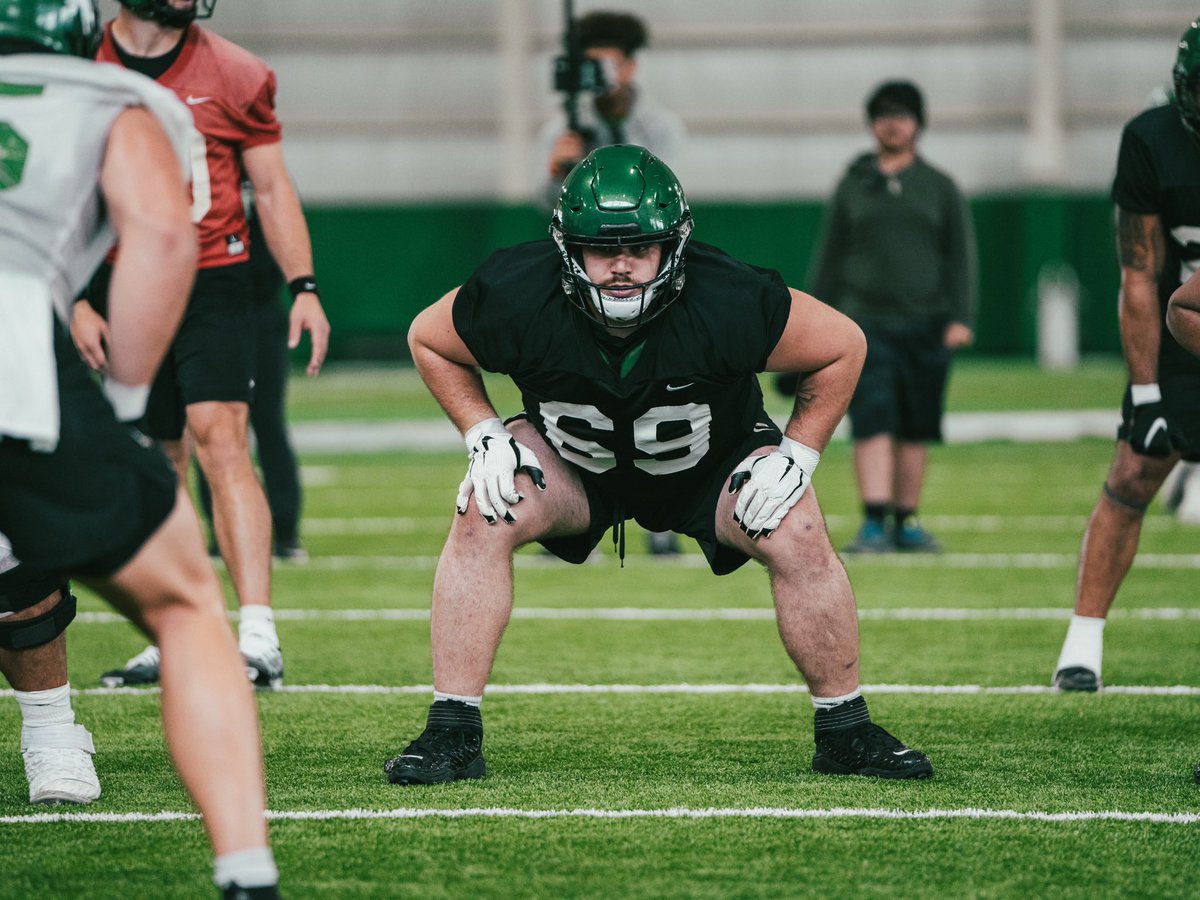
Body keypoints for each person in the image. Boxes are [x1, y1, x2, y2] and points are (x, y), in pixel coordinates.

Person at [385, 144, 933, 787]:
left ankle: (845, 730)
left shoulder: (725, 294)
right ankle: (451, 731)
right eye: (601, 249)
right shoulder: (518, 289)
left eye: (640, 247)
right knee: (483, 506)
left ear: (674, 245)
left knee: (798, 529)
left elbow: (843, 346)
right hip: (575, 466)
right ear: (566, 247)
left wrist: (798, 453)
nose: (621, 266)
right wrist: (482, 433)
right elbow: (429, 339)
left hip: (710, 466)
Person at [0, 2, 280, 895]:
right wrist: (122, 401)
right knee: (186, 606)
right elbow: (162, 234)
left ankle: (51, 731)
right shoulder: (109, 102)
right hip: (16, 360)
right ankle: (245, 869)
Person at [70, 0, 330, 690]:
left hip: (214, 276)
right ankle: (182, 626)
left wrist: (304, 285)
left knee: (222, 437)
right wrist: (76, 299)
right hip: (121, 280)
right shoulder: (79, 62)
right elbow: (57, 191)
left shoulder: (237, 72)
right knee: (158, 457)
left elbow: (270, 187)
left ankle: (258, 633)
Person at [1051, 22, 1200, 693]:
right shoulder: (1152, 139)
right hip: (1181, 333)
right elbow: (1139, 273)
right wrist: (1145, 394)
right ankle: (1082, 642)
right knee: (1134, 471)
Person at [793, 80, 975, 555]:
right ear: (872, 124)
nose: (892, 124)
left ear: (918, 123)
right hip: (863, 326)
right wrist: (812, 321)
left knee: (916, 426)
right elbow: (829, 258)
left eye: (902, 115)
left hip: (927, 324)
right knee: (872, 421)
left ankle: (906, 520)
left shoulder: (939, 186)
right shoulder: (853, 184)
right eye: (883, 115)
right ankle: (873, 522)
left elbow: (960, 256)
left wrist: (961, 316)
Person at [535, 9, 687, 556]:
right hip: (583, 286)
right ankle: (574, 516)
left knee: (657, 395)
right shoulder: (562, 129)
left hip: (651, 284)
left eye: (610, 63)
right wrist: (558, 172)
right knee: (578, 399)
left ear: (629, 66)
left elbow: (673, 200)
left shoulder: (659, 126)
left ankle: (662, 518)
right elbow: (546, 211)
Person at [196, 185, 307, 564]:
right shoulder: (204, 177)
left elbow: (280, 241)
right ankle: (221, 530)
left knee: (268, 421)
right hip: (210, 316)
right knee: (211, 422)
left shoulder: (264, 183)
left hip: (259, 315)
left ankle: (285, 530)